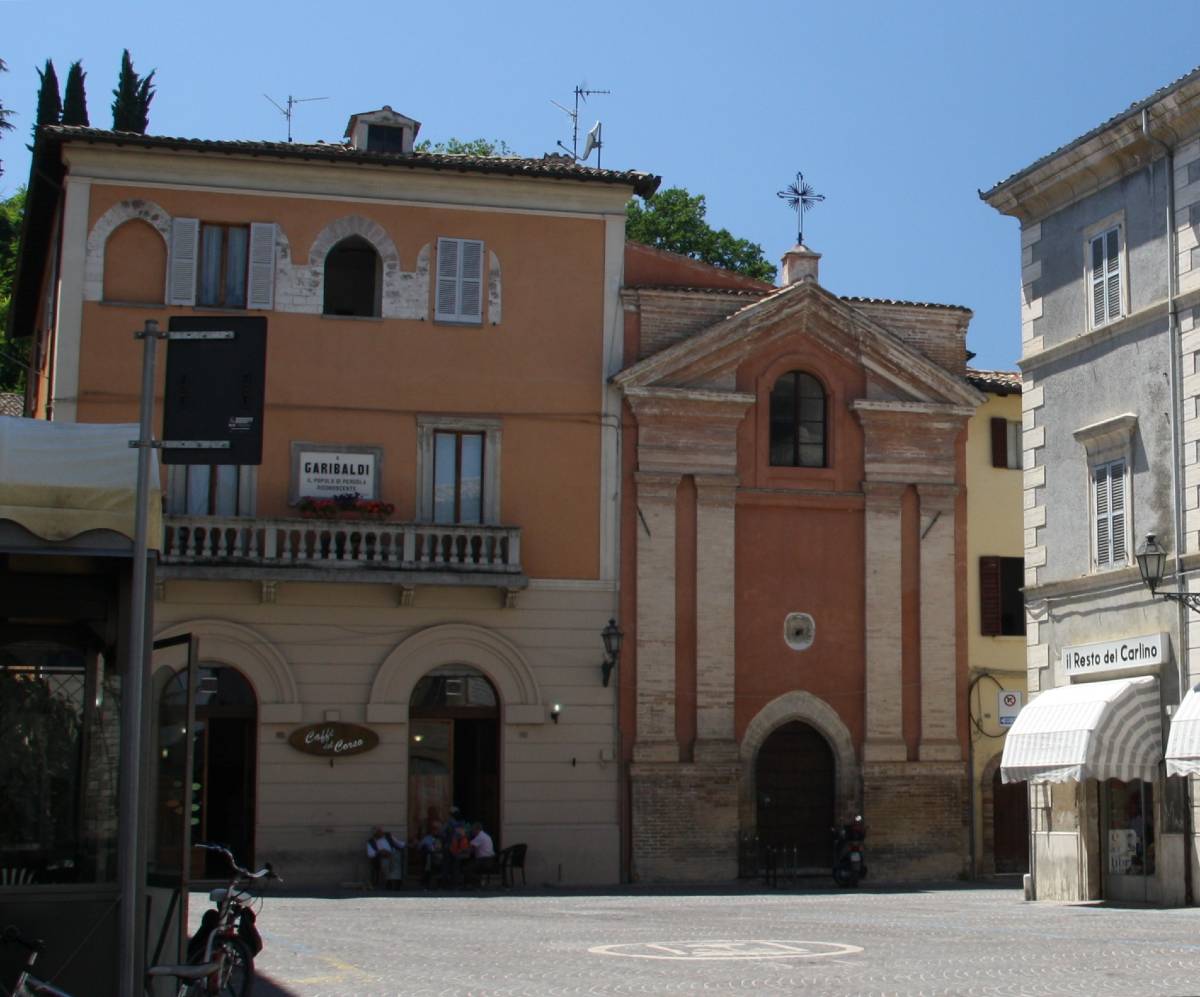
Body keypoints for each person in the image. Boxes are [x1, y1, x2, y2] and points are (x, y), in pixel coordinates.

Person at [417, 820, 443, 889]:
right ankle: (426, 885)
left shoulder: (441, 839)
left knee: (438, 872)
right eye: (434, 830)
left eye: (437, 830)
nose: (436, 831)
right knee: (427, 871)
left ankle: (438, 886)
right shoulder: (427, 838)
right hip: (429, 858)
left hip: (438, 858)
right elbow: (420, 846)